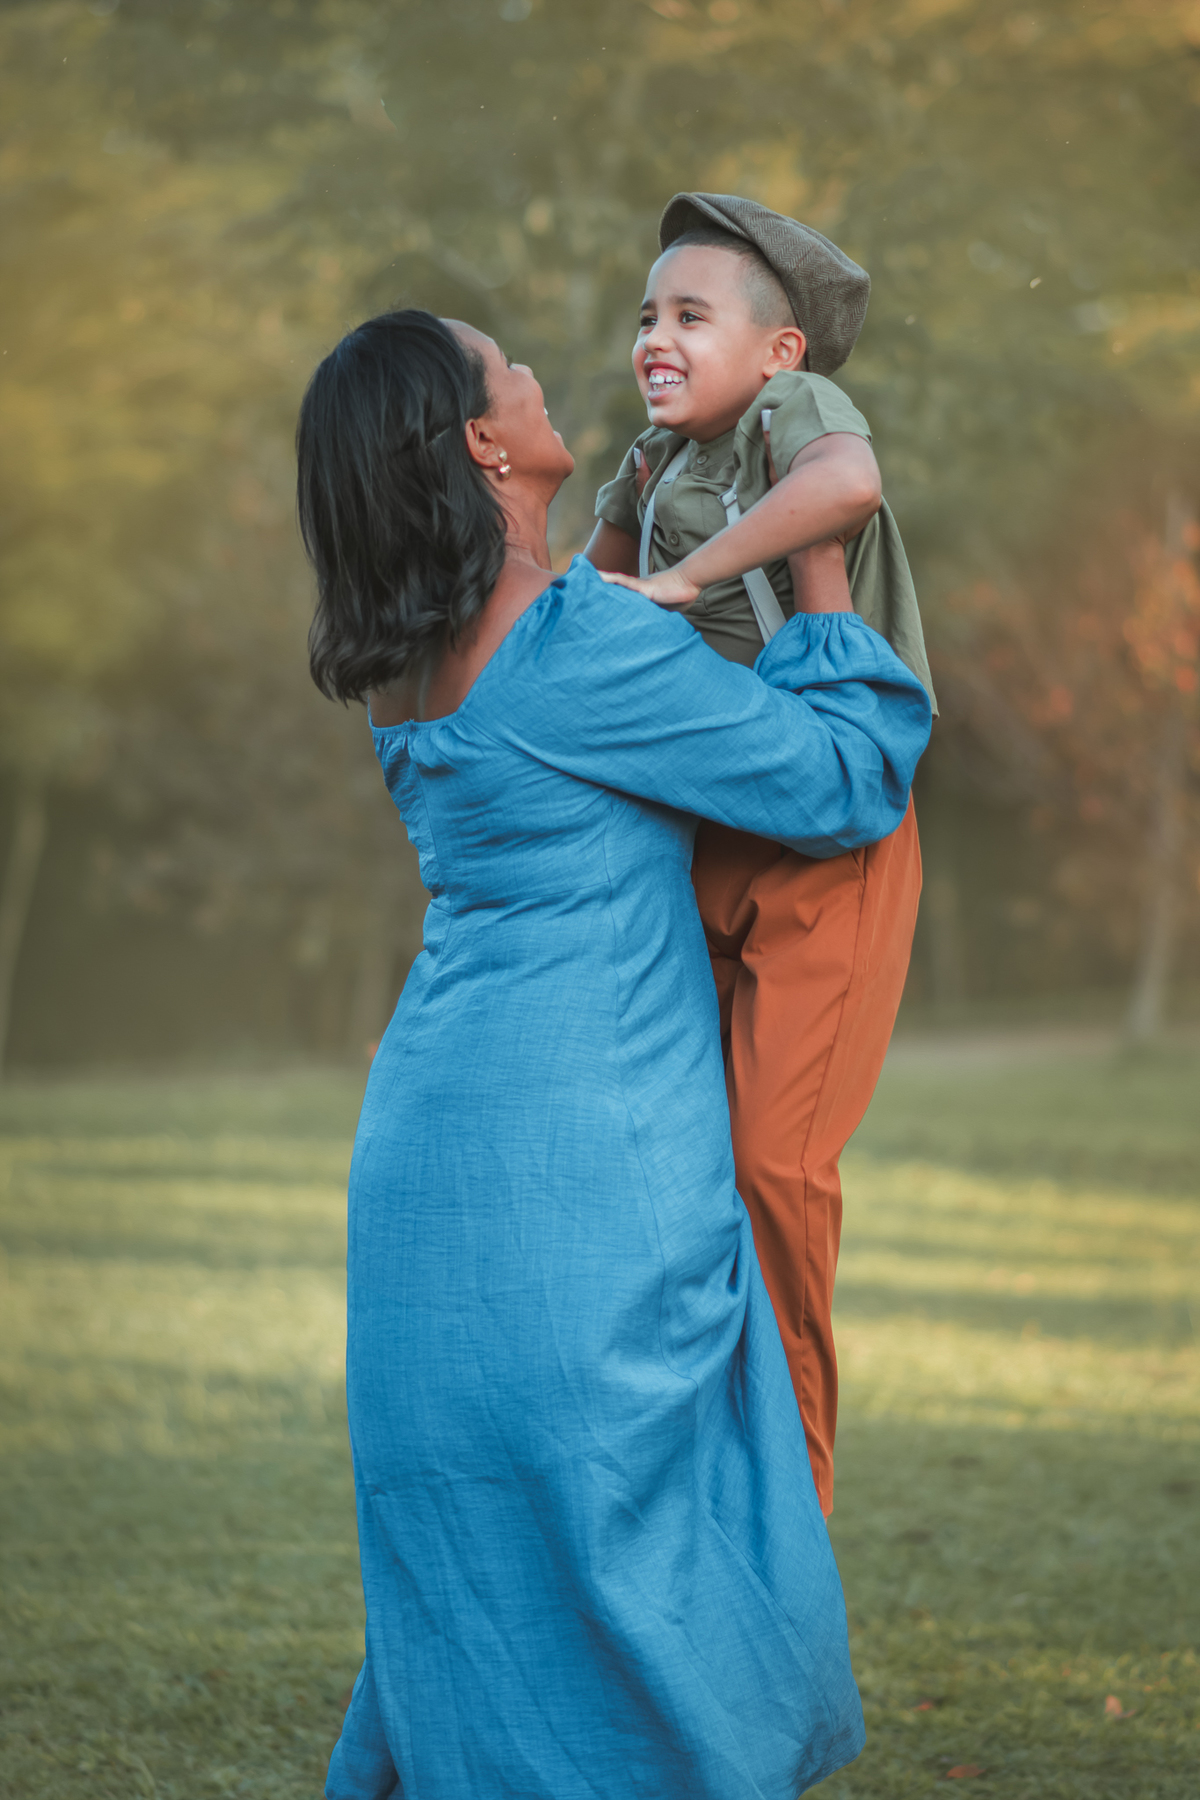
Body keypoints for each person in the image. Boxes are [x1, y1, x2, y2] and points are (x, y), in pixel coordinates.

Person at [296, 306, 931, 1800]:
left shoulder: (418, 649)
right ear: (482, 441)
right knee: (634, 1508)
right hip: (579, 1144)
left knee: (488, 1529)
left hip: (433, 1148)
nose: (536, 373)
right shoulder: (569, 641)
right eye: (506, 367)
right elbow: (841, 781)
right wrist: (821, 558)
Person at [586, 191, 937, 1515]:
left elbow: (848, 489)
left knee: (775, 1169)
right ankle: (690, 1463)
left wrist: (684, 583)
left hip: (832, 846)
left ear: (778, 351)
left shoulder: (794, 421)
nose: (654, 338)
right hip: (715, 835)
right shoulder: (658, 462)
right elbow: (588, 604)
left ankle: (796, 1492)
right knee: (683, 1169)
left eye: (689, 315)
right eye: (644, 316)